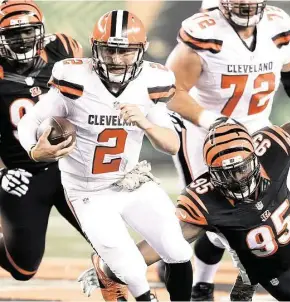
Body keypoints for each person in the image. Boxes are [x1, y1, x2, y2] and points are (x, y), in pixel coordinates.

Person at [77, 108, 290, 300]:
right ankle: (248, 279)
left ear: (255, 154)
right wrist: (111, 267)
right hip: (275, 270)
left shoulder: (272, 148)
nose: (239, 178)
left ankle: (245, 277)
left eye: (242, 167)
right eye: (226, 173)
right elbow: (166, 241)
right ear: (211, 172)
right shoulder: (206, 200)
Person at [161, 0, 290, 299]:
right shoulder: (204, 33)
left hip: (257, 129)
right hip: (208, 136)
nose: (246, 4)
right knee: (218, 218)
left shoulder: (277, 24)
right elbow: (169, 89)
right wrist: (213, 120)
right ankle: (201, 283)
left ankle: (288, 268)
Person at [17, 10, 193, 301]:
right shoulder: (74, 78)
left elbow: (172, 145)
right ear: (95, 48)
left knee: (178, 250)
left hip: (131, 181)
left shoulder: (153, 81)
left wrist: (146, 123)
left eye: (125, 51)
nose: (115, 58)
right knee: (134, 271)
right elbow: (31, 121)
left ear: (142, 50)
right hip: (88, 190)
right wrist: (35, 151)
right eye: (109, 49)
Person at [0, 0, 84, 282]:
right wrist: (2, 172)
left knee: (110, 242)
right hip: (23, 173)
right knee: (23, 269)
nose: (22, 39)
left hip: (70, 166)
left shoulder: (63, 52)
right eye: (13, 34)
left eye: (28, 31)